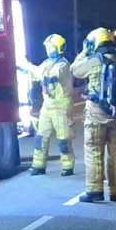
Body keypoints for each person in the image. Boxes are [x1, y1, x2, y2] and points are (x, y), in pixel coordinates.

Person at [71, 28, 116, 203]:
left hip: (96, 116)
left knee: (93, 152)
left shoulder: (93, 61)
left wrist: (84, 52)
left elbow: (74, 70)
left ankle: (94, 190)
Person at [21, 34, 75, 176]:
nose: (48, 49)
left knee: (63, 140)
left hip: (61, 106)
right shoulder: (47, 62)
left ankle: (68, 165)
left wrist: (31, 69)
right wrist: (25, 67)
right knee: (41, 137)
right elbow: (37, 73)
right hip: (48, 105)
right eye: (47, 47)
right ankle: (38, 165)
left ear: (59, 48)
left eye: (51, 47)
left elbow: (50, 76)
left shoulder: (63, 64)